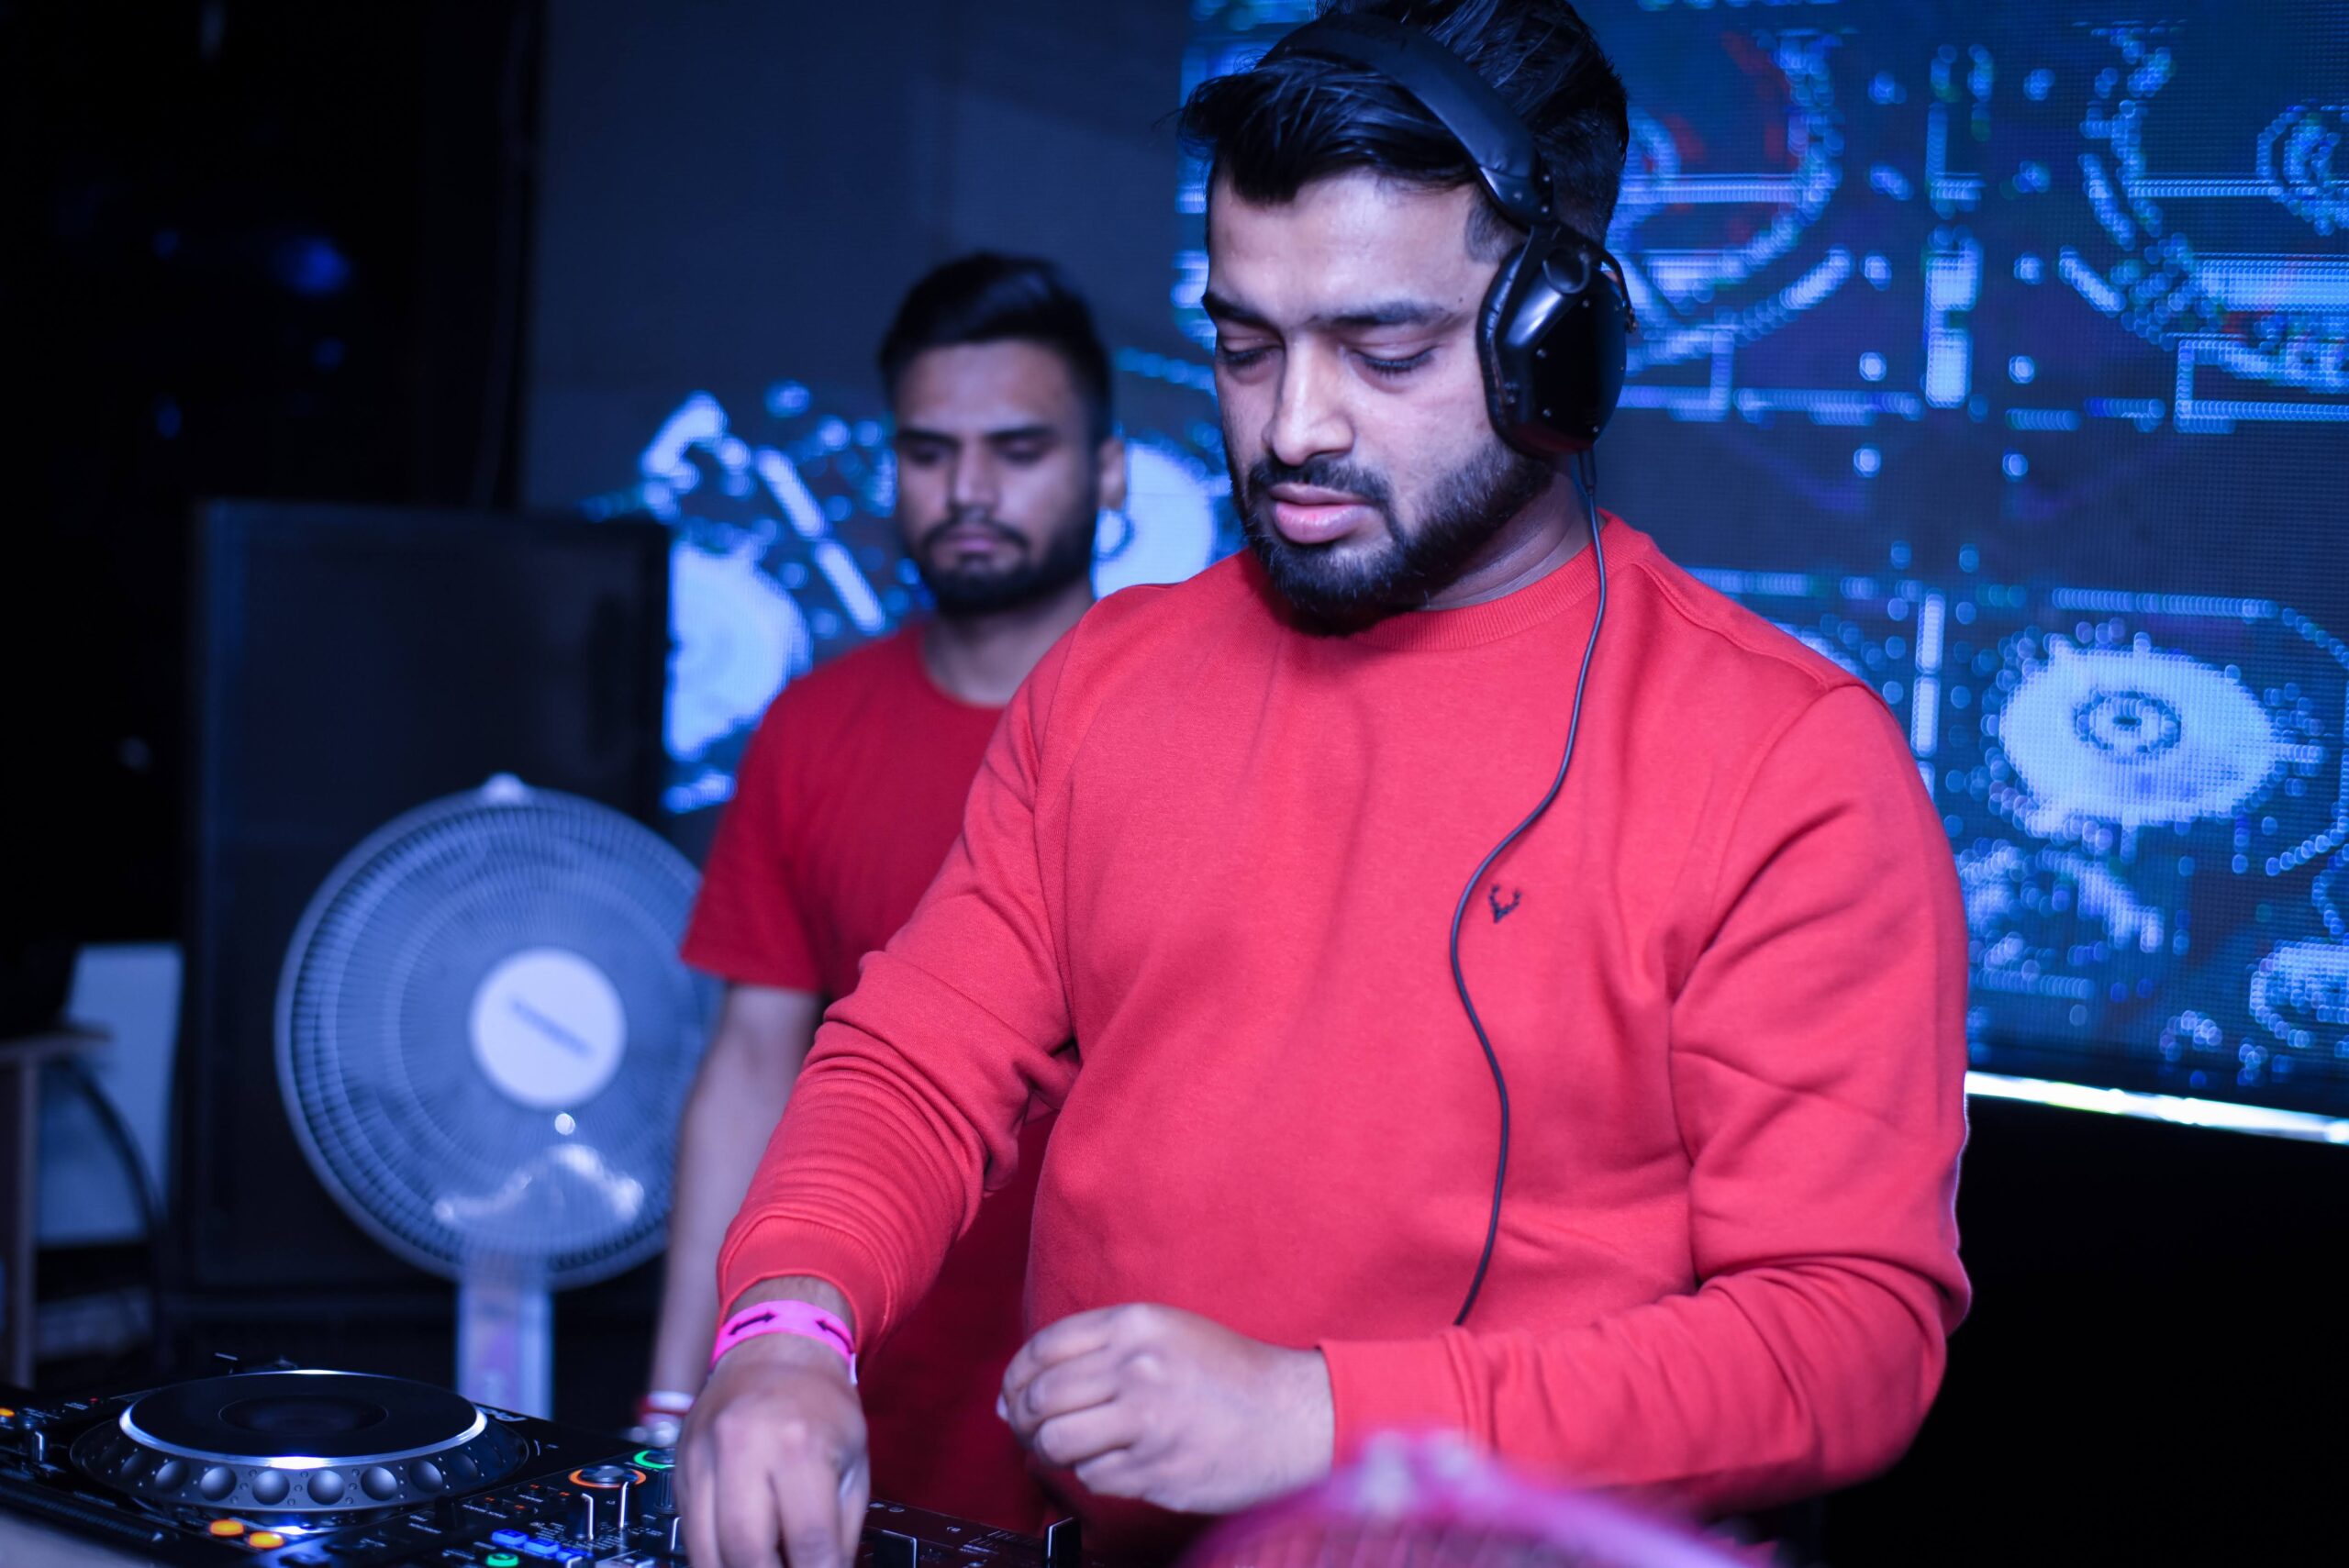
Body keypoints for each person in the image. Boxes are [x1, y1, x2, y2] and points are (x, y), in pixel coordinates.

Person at [679, 4, 1970, 1565]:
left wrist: (1328, 1416)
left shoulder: (1789, 761)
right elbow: (914, 1064)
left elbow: (1843, 1336)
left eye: (1385, 351)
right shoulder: (1107, 680)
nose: (1293, 427)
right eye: (1245, 346)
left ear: (1553, 342)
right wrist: (785, 1325)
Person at [643, 252, 1127, 1533]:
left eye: (1018, 449)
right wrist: (672, 1395)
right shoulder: (811, 731)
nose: (968, 490)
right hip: (836, 1416)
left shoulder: (1184, 725)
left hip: (1123, 1447)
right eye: (929, 451)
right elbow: (754, 1065)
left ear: (1111, 472)